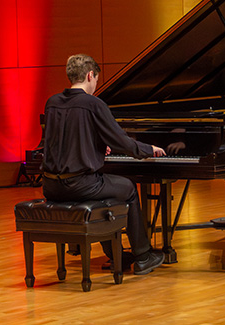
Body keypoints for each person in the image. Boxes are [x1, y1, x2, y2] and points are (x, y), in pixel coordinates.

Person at [41, 54, 167, 275]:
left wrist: (97, 146)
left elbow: (64, 140)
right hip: (78, 185)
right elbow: (121, 141)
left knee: (107, 191)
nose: (95, 85)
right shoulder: (93, 104)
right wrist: (148, 150)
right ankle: (143, 256)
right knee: (127, 188)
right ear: (90, 75)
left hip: (51, 186)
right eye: (96, 80)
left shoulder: (52, 102)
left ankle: (115, 254)